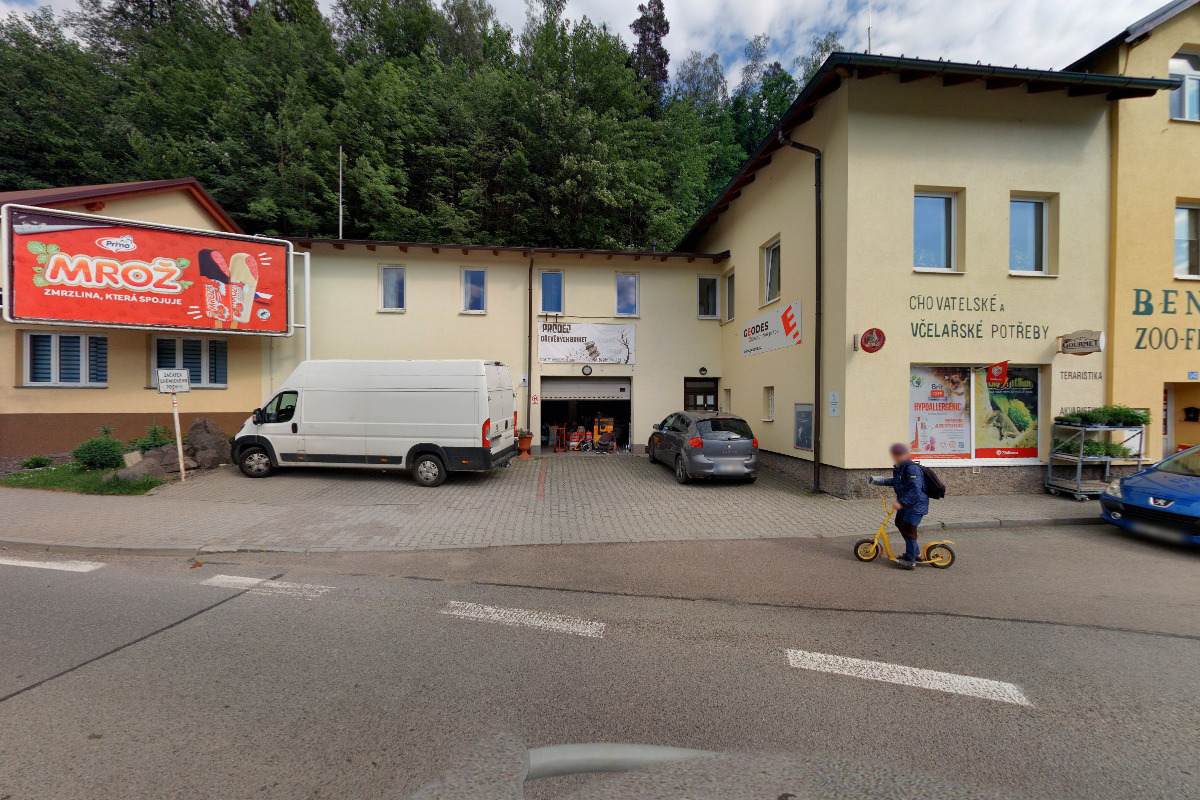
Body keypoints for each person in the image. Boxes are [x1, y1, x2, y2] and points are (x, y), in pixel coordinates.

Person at [869, 443, 928, 570]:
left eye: (898, 454)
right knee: (900, 523)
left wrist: (901, 502)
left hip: (915, 505)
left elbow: (916, 490)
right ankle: (915, 553)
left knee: (908, 529)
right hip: (906, 504)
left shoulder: (912, 469)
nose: (895, 457)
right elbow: (898, 482)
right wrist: (878, 481)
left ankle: (910, 560)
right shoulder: (901, 467)